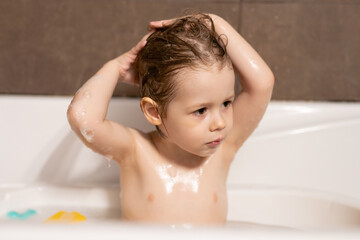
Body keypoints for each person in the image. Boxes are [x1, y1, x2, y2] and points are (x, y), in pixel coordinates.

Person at [67, 13, 274, 225]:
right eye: (201, 110)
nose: (220, 123)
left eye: (226, 104)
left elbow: (262, 83)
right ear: (154, 112)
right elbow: (83, 119)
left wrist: (212, 22)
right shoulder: (135, 150)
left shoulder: (223, 149)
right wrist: (116, 68)